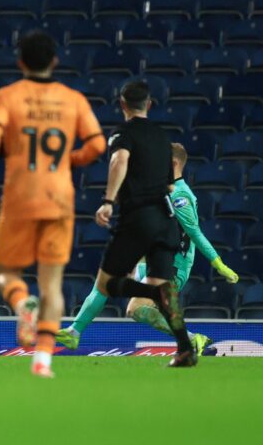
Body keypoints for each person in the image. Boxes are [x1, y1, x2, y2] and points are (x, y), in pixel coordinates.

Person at [0, 30, 106, 377]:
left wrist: (0, 151)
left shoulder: (7, 96)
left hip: (20, 196)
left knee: (6, 273)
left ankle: (22, 304)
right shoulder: (73, 99)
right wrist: (70, 159)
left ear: (21, 62)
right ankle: (43, 361)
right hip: (59, 198)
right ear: (54, 61)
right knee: (52, 284)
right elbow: (97, 145)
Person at [56, 142, 239, 353]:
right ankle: (75, 332)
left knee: (136, 309)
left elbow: (194, 233)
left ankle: (191, 340)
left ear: (173, 163)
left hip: (173, 267)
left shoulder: (180, 196)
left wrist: (218, 264)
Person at [92, 80, 198, 367]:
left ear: (122, 105)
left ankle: (155, 293)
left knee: (107, 285)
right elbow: (170, 186)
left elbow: (119, 163)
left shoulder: (122, 134)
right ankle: (185, 348)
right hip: (167, 222)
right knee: (164, 287)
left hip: (139, 219)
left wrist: (108, 201)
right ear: (149, 105)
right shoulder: (163, 138)